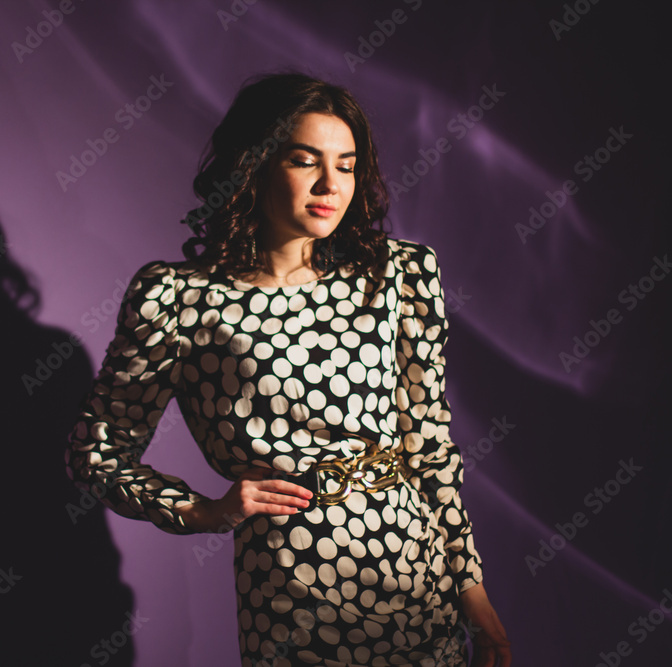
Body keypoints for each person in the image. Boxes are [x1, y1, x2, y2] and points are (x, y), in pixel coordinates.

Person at [66, 72, 510, 666]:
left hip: (413, 576)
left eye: (347, 165)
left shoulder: (397, 274)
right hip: (290, 589)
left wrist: (472, 592)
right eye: (305, 161)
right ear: (253, 165)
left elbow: (428, 448)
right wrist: (202, 512)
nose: (331, 184)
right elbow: (97, 450)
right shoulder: (177, 297)